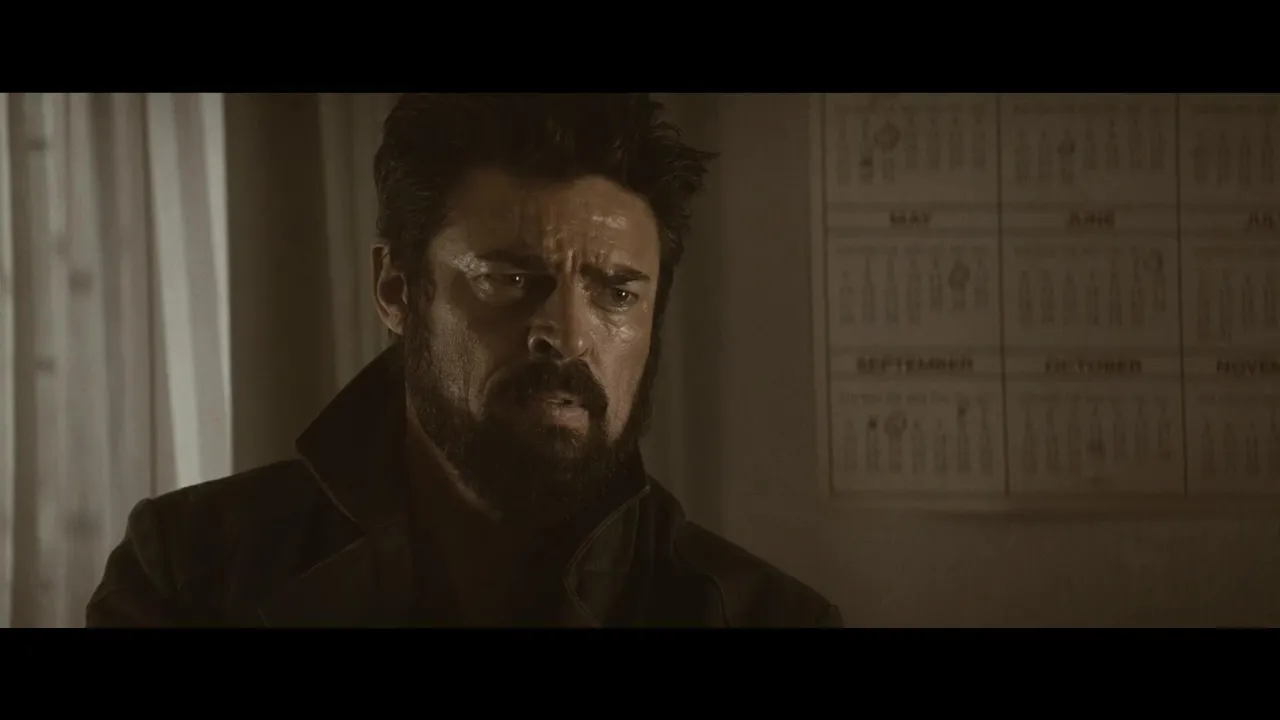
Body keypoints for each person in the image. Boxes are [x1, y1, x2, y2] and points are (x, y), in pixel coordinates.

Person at [86, 93, 843, 628]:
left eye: (616, 292)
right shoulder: (187, 572)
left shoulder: (767, 619)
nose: (567, 335)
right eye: (508, 280)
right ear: (395, 289)